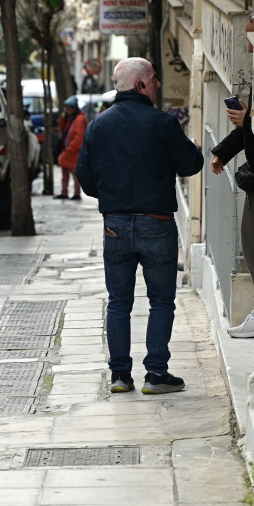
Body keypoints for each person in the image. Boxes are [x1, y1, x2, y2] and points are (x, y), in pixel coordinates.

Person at [76, 57, 204, 394]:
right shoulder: (163, 123)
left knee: (119, 301)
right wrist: (193, 149)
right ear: (140, 85)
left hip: (114, 224)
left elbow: (86, 180)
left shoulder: (97, 125)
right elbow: (190, 164)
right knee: (161, 301)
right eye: (154, 79)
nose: (158, 84)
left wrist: (112, 196)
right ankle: (156, 374)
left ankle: (120, 376)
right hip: (157, 223)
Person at [210, 13, 254, 339]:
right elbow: (251, 124)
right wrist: (222, 150)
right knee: (250, 244)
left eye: (253, 37)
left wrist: (247, 119)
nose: (248, 47)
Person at [54, 95, 87, 200]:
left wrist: (70, 150)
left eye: (68, 108)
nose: (66, 110)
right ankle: (64, 192)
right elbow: (64, 130)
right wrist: (63, 119)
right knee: (65, 174)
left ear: (73, 108)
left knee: (75, 174)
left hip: (73, 152)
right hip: (68, 150)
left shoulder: (79, 119)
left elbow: (79, 138)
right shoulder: (70, 119)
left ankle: (76, 193)